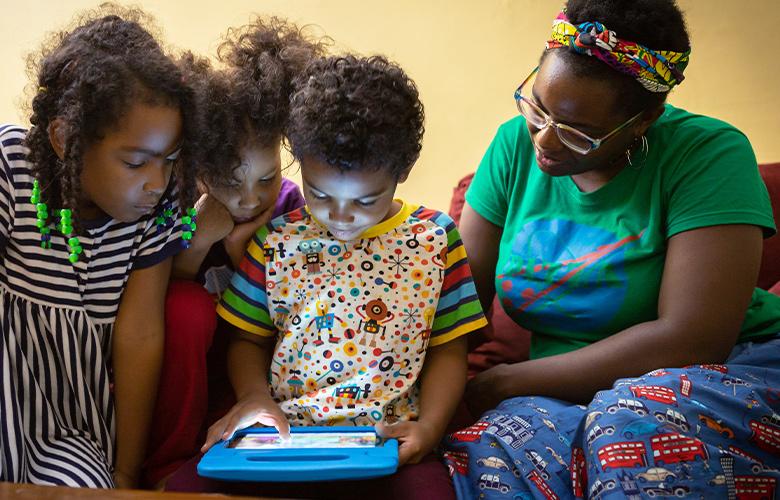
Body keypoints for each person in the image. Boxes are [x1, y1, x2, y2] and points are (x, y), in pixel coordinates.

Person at [442, 0, 780, 498]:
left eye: (578, 132)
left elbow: (692, 338)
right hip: (556, 392)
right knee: (495, 458)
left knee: (627, 423)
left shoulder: (707, 153)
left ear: (644, 120)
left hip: (726, 368)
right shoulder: (514, 144)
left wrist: (507, 382)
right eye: (536, 106)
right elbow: (456, 303)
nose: (546, 141)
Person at [166, 54, 486, 499]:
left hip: (384, 440)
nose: (340, 216)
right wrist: (254, 398)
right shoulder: (275, 239)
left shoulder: (435, 238)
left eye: (366, 200)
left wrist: (429, 427)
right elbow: (246, 340)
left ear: (402, 173)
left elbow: (450, 347)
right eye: (319, 194)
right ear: (299, 161)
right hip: (282, 438)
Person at [0, 5, 196, 489]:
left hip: (69, 428)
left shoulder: (161, 206)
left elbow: (141, 335)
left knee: (89, 487)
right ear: (67, 139)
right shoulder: (9, 165)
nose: (157, 182)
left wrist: (125, 471)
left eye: (169, 161)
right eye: (135, 163)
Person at [142, 17, 323, 488]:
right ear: (199, 167)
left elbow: (305, 307)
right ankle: (168, 462)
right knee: (184, 308)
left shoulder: (289, 208)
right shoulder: (179, 204)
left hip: (260, 364)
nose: (247, 199)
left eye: (265, 179)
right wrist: (200, 239)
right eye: (229, 181)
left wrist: (251, 254)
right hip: (192, 363)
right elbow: (153, 296)